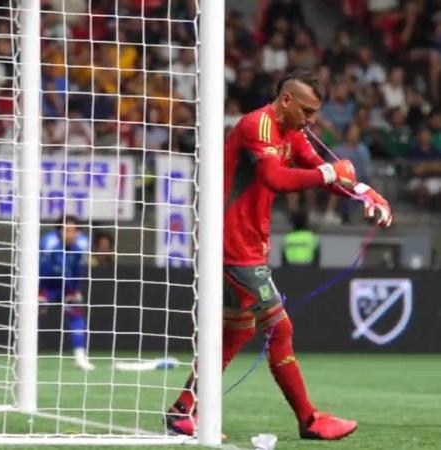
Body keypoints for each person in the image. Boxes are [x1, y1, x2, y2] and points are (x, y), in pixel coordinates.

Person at [166, 69, 392, 440]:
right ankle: (309, 420)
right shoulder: (258, 126)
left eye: (314, 112)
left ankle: (183, 411)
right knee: (279, 326)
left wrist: (368, 195)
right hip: (231, 243)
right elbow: (277, 178)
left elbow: (322, 172)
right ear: (286, 100)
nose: (311, 120)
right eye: (306, 110)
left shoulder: (292, 131)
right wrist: (330, 174)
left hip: (246, 242)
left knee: (237, 332)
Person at [39, 215, 95, 370]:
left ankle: (80, 357)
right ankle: (23, 353)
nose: (71, 234)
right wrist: (37, 291)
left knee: (76, 315)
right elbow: (39, 267)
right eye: (67, 230)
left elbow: (78, 267)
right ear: (59, 231)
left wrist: (75, 289)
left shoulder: (83, 243)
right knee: (32, 314)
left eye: (74, 230)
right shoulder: (48, 243)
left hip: (67, 285)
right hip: (46, 284)